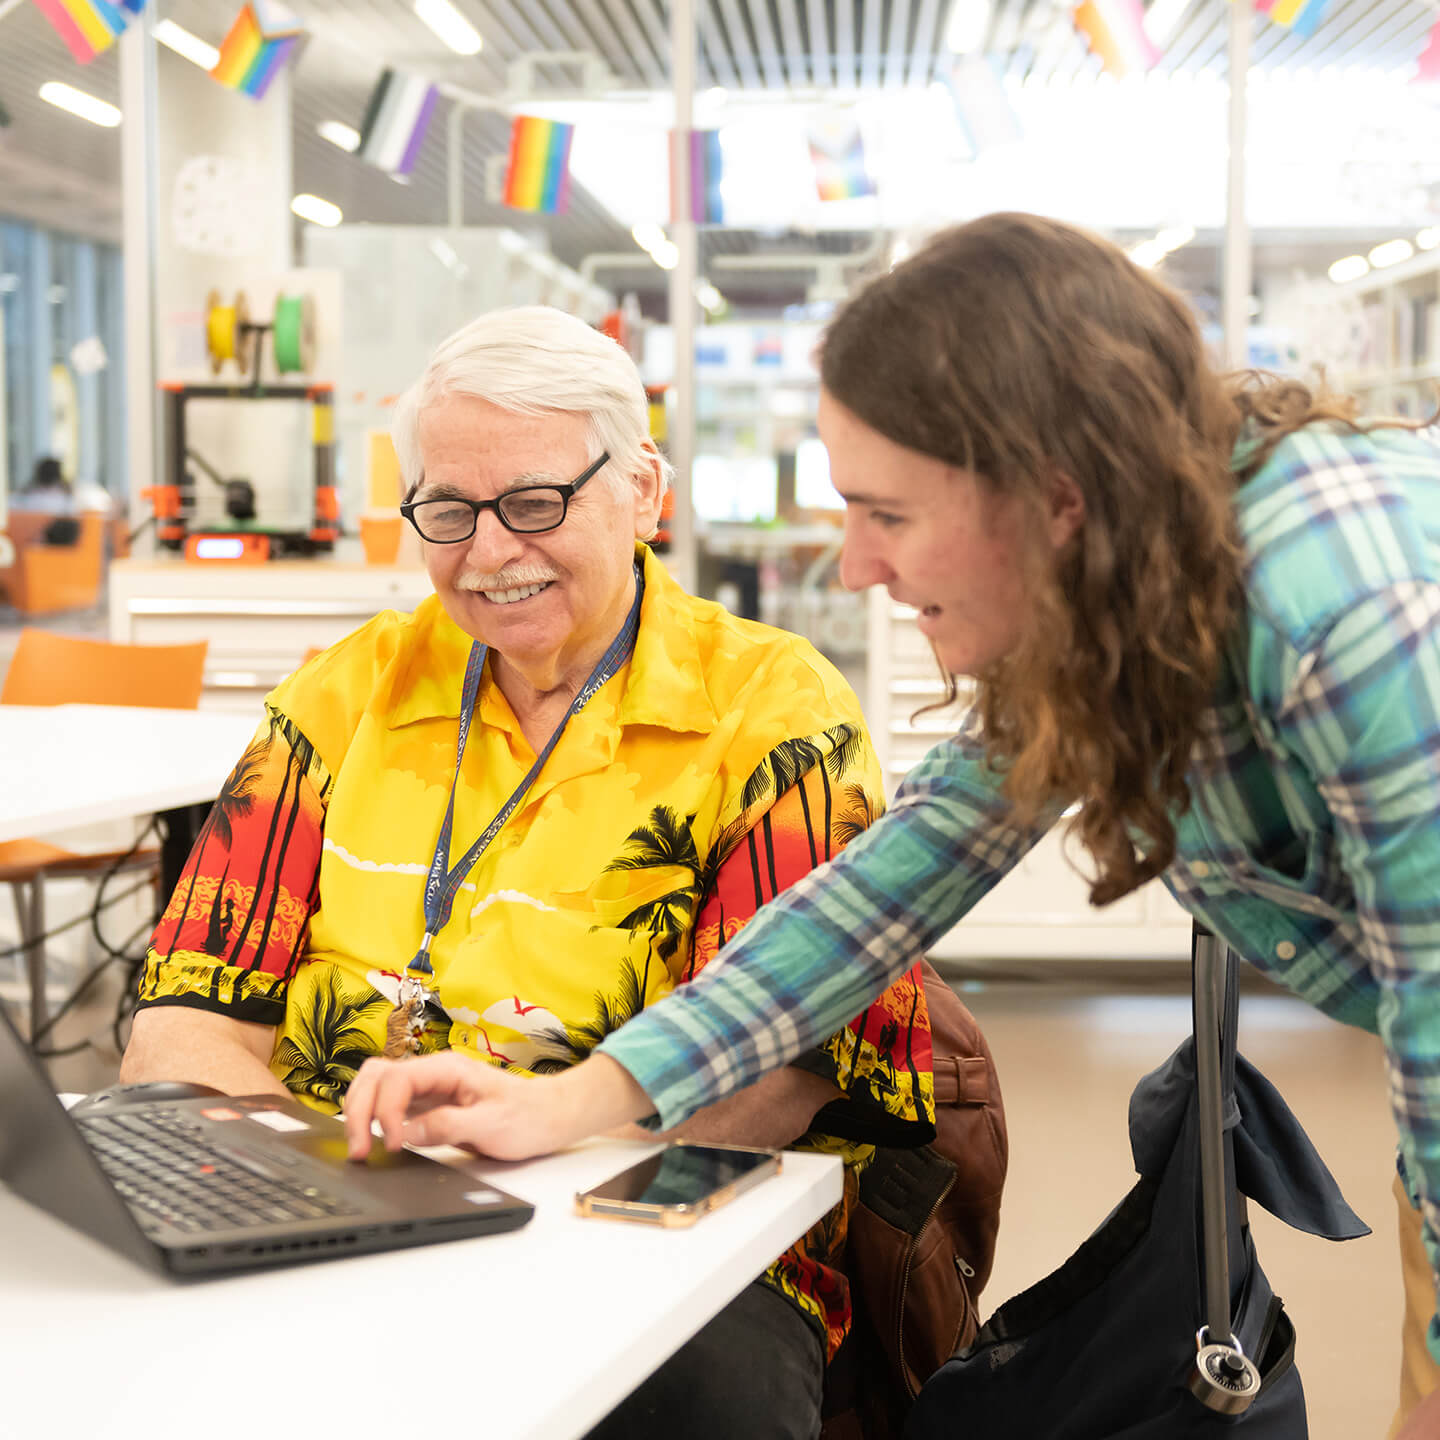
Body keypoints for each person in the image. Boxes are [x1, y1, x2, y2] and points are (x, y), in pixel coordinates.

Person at [343, 213, 1440, 1439]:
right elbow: (878, 897)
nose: (856, 565)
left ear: (1052, 495)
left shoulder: (1359, 619)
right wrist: (570, 1102)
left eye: (889, 513)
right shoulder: (1125, 566)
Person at [121, 305, 935, 1440]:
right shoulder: (342, 695)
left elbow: (780, 1071)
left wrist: (512, 1194)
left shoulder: (771, 713)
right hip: (336, 1210)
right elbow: (182, 1025)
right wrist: (339, 1203)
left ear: (645, 491)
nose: (490, 552)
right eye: (449, 511)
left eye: (537, 504)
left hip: (648, 1226)